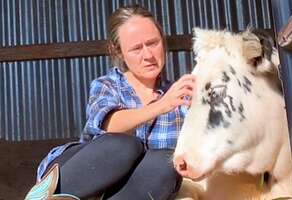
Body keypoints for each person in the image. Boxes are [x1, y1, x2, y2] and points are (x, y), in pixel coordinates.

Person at [25, 5, 195, 200]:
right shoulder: (107, 85)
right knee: (124, 146)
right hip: (78, 175)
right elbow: (110, 124)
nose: (148, 55)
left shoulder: (182, 98)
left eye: (153, 43)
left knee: (165, 165)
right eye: (136, 48)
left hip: (127, 190)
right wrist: (162, 104)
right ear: (119, 52)